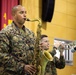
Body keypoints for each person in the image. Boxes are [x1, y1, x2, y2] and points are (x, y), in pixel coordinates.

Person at [0, 5, 36, 75]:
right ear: (14, 15)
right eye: (21, 12)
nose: (25, 15)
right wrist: (22, 67)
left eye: (25, 12)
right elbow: (2, 55)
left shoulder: (31, 33)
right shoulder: (5, 32)